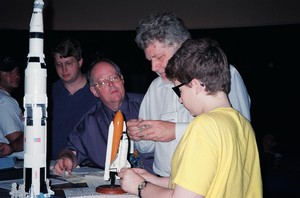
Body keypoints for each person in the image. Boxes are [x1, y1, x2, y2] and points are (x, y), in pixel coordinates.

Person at [119, 38, 262, 198]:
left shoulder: (203, 126)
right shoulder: (241, 124)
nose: (180, 99)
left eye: (179, 90)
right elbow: (206, 182)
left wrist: (140, 186)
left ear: (195, 86)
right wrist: (153, 180)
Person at [127, 12, 251, 177]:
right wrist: (139, 134)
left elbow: (240, 133)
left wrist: (175, 131)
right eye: (150, 60)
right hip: (165, 182)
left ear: (182, 46)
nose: (153, 67)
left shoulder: (223, 73)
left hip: (212, 183)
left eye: (159, 57)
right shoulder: (156, 87)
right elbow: (147, 148)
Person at [52, 59, 153, 175]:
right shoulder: (90, 122)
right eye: (102, 82)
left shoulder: (148, 105)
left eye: (114, 78)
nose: (111, 84)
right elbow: (72, 150)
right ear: (94, 91)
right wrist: (67, 159)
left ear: (122, 80)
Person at [50, 38, 98, 160]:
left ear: (80, 62)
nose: (64, 69)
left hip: (89, 165)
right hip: (54, 163)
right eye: (59, 64)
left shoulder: (97, 91)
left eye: (69, 63)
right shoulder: (48, 93)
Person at [0, 56, 24, 159]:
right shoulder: (6, 101)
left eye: (16, 71)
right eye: (8, 72)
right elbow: (17, 140)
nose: (15, 75)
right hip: (15, 166)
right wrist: (30, 124)